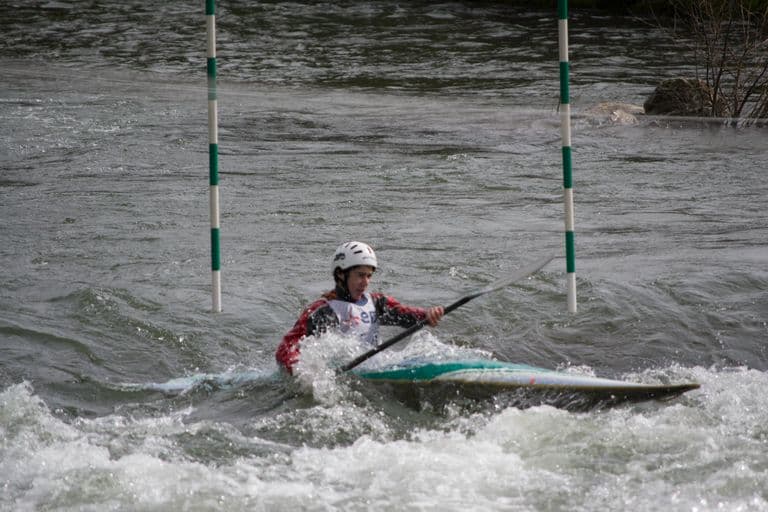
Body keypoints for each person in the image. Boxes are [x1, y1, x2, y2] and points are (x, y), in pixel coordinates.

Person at [276, 241, 444, 374]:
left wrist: (427, 315)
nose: (366, 282)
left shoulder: (377, 302)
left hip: (377, 366)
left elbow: (405, 315)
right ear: (341, 274)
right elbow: (286, 349)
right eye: (360, 275)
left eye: (369, 276)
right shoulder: (323, 311)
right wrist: (304, 374)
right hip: (349, 372)